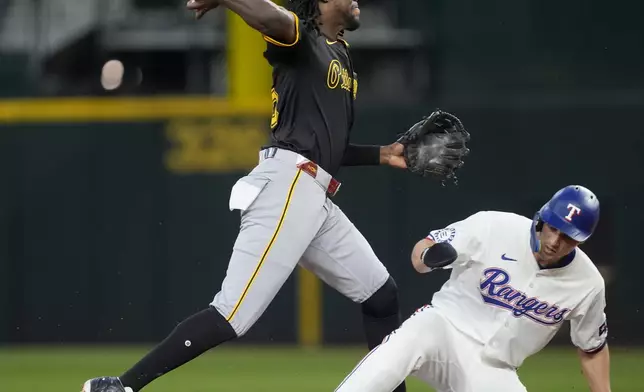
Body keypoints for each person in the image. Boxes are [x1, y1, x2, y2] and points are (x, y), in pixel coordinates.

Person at [80, 0, 470, 391]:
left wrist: (383, 154)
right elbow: (271, 18)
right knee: (232, 315)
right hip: (288, 185)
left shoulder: (340, 55)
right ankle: (119, 386)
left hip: (312, 192)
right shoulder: (302, 38)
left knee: (381, 295)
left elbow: (328, 147)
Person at [334, 185, 612, 392]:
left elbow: (592, 348)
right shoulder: (494, 225)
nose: (555, 241)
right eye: (554, 229)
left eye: (568, 237)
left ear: (580, 242)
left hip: (494, 367)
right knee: (383, 365)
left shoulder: (587, 283)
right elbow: (422, 251)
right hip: (441, 328)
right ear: (543, 219)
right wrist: (428, 257)